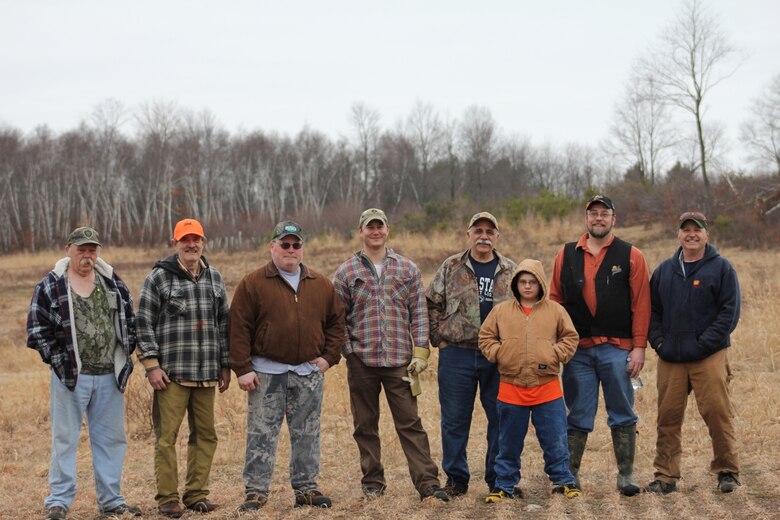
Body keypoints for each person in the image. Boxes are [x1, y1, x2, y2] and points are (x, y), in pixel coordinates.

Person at [333, 208, 449, 502]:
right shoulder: (346, 272)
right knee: (365, 425)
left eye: (379, 226)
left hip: (400, 362)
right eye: (369, 227)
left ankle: (427, 482)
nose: (375, 231)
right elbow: (337, 318)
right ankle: (372, 481)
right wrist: (349, 352)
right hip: (362, 362)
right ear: (360, 231)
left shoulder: (407, 269)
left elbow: (419, 315)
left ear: (387, 230)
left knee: (410, 424)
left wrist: (420, 352)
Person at [229, 220, 345, 511]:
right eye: (285, 244)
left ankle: (306, 488)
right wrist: (242, 368)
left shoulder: (320, 284)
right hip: (266, 373)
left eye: (296, 245)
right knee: (261, 432)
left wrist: (328, 358)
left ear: (302, 249)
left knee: (307, 432)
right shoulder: (253, 282)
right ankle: (256, 492)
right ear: (272, 247)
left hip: (307, 373)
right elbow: (239, 328)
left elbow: (336, 324)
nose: (290, 250)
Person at [27, 226, 141, 520]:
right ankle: (59, 501)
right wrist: (58, 358)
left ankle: (111, 501)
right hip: (70, 377)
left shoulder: (112, 282)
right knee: (65, 438)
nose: (87, 255)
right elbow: (37, 330)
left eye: (92, 250)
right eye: (82, 250)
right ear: (69, 249)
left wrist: (124, 355)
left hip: (108, 375)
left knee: (111, 440)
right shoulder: (51, 285)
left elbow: (129, 321)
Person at [549, 195, 651, 496]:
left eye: (604, 213)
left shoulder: (631, 255)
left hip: (617, 348)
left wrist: (639, 347)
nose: (598, 218)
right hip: (577, 350)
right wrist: (556, 342)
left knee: (622, 412)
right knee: (578, 412)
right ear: (586, 219)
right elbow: (555, 300)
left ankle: (626, 476)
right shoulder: (566, 254)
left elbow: (641, 304)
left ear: (613, 219)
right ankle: (570, 476)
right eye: (593, 213)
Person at [136, 218, 230, 518]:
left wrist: (225, 364)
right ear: (174, 243)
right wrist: (152, 365)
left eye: (196, 239)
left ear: (203, 242)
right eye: (185, 240)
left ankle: (196, 494)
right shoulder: (159, 278)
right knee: (166, 438)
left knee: (205, 435)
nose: (191, 245)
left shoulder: (214, 277)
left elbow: (224, 324)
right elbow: (143, 324)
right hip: (172, 375)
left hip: (206, 374)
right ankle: (167, 499)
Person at [645, 211, 741, 494]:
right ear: (679, 234)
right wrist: (659, 342)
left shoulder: (722, 268)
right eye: (686, 230)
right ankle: (666, 476)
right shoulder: (664, 270)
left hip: (708, 356)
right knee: (668, 417)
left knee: (717, 413)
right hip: (671, 357)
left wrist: (702, 345)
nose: (691, 234)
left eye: (697, 230)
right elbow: (652, 312)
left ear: (706, 234)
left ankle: (727, 471)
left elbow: (728, 314)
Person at [425, 211, 517, 497]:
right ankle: (456, 479)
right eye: (478, 231)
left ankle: (497, 478)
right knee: (454, 419)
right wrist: (438, 339)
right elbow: (431, 303)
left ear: (497, 237)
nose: (484, 236)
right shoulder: (451, 266)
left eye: (490, 232)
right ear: (469, 234)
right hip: (457, 355)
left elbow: (524, 308)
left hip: (497, 356)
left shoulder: (511, 270)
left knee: (501, 417)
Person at [479, 259, 581, 502]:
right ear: (515, 284)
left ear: (540, 284)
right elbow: (485, 337)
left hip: (547, 388)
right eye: (523, 282)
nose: (527, 286)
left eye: (532, 282)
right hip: (511, 387)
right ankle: (504, 485)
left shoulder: (555, 310)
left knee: (555, 439)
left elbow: (570, 337)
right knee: (508, 442)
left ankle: (564, 481)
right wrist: (500, 353)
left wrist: (554, 353)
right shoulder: (501, 311)